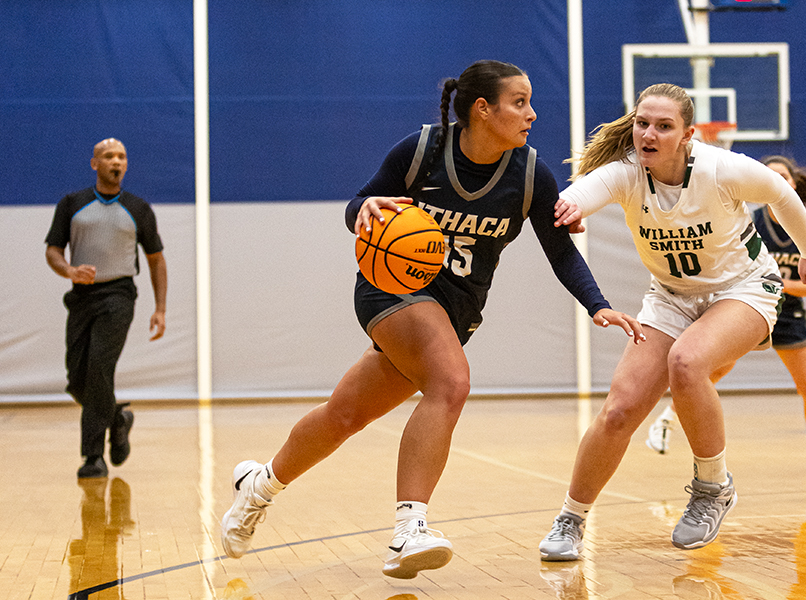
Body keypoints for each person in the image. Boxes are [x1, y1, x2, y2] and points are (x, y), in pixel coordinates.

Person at [219, 60, 643, 579]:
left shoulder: (530, 174)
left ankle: (257, 487)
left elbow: (561, 252)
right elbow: (360, 203)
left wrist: (597, 304)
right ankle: (408, 530)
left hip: (457, 312)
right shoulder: (420, 151)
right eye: (520, 102)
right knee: (452, 382)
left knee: (344, 415)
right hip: (391, 289)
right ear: (483, 109)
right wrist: (363, 210)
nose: (532, 113)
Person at [539, 83, 806, 559]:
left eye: (663, 126)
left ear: (688, 134)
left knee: (688, 362)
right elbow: (586, 190)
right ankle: (571, 519)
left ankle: (713, 487)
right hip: (671, 298)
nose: (648, 134)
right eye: (642, 123)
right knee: (619, 410)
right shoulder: (628, 172)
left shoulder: (722, 169)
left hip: (745, 288)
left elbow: (780, 193)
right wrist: (570, 209)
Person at [646, 156, 806, 473]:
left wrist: (775, 280)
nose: (778, 181)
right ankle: (666, 421)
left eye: (783, 177)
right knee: (709, 374)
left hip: (788, 316)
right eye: (771, 176)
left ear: (792, 185)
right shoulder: (748, 221)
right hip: (747, 308)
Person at [45, 138, 168, 479]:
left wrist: (160, 308)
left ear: (126, 165)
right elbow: (53, 250)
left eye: (122, 156)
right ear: (94, 163)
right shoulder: (72, 204)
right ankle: (117, 418)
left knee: (100, 367)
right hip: (81, 296)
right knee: (77, 380)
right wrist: (68, 269)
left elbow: (156, 260)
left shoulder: (138, 209)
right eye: (109, 156)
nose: (116, 161)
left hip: (119, 295)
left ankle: (93, 457)